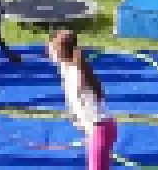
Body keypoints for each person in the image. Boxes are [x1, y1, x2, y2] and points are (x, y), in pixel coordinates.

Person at [47, 29, 116, 170]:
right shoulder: (67, 68)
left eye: (52, 50)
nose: (49, 54)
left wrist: (83, 124)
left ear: (61, 52)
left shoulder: (75, 72)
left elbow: (79, 92)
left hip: (100, 129)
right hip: (101, 128)